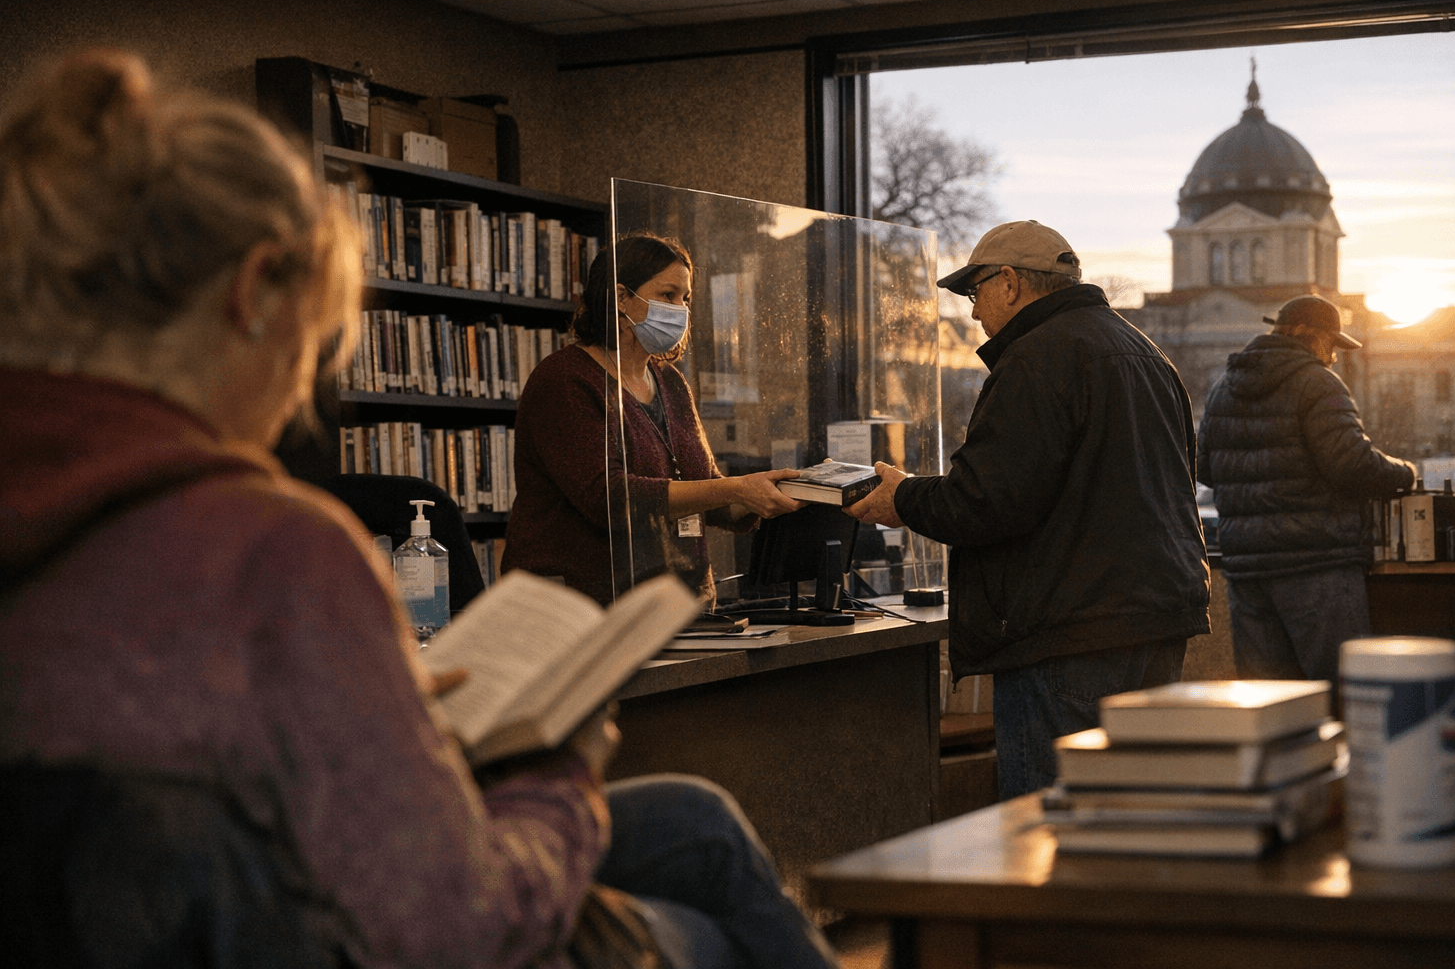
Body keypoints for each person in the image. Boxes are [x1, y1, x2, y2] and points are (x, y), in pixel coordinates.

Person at [0, 49, 837, 969]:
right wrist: (554, 769)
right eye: (318, 336)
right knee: (708, 914)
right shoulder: (271, 552)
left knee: (689, 818)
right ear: (253, 294)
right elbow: (452, 924)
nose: (299, 388)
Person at [848, 220, 1211, 799]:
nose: (973, 313)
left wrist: (905, 497)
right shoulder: (1144, 353)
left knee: (1048, 833)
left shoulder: (1038, 358)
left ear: (1010, 283)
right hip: (1156, 621)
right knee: (1129, 821)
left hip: (1067, 638)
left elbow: (986, 501)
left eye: (976, 293)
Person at [501, 233, 802, 605]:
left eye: (686, 298)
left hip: (673, 606)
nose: (681, 309)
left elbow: (704, 488)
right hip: (582, 609)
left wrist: (783, 492)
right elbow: (608, 499)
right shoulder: (564, 380)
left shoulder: (669, 381)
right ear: (622, 298)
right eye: (668, 295)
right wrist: (736, 489)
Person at [1198, 295, 1416, 685]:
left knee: (1272, 709)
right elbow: (1351, 464)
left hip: (1248, 573)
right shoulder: (1317, 382)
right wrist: (1405, 473)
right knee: (1342, 695)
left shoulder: (1222, 389)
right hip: (1316, 566)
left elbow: (1206, 469)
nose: (1333, 357)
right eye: (1332, 345)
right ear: (1310, 336)